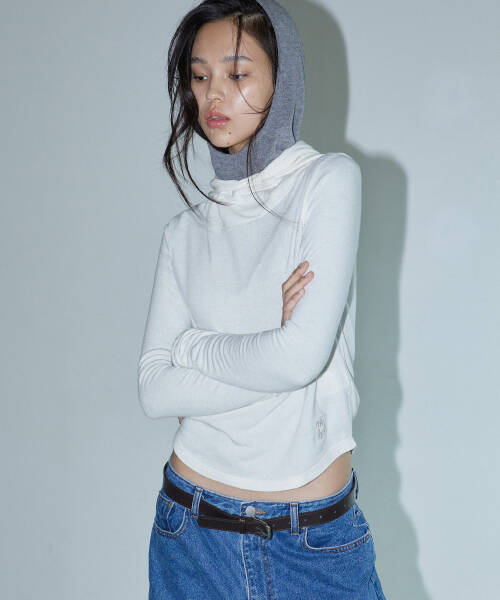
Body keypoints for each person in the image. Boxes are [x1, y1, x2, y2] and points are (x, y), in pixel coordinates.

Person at [138, 1, 387, 598]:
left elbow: (298, 360)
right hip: (191, 532)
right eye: (200, 76)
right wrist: (271, 347)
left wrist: (192, 349)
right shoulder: (185, 232)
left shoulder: (327, 181)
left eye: (237, 73)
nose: (214, 94)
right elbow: (154, 390)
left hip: (313, 544)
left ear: (283, 77)